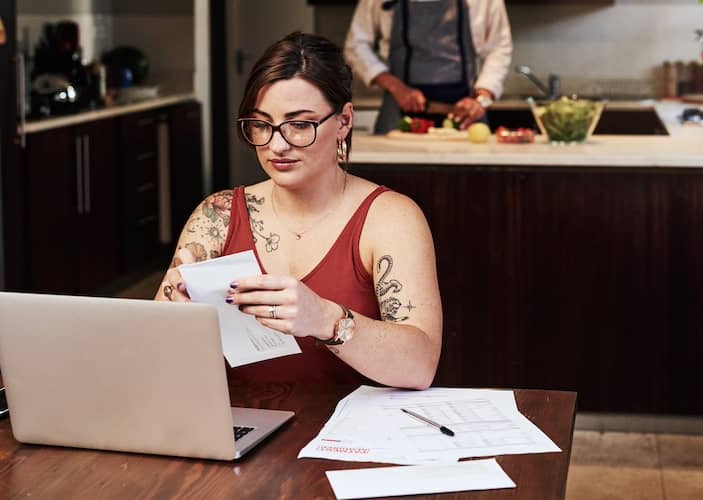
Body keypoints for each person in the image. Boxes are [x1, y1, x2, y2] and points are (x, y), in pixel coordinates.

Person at [156, 32, 442, 390]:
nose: (277, 145)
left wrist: (325, 318)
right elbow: (161, 365)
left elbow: (420, 366)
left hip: (352, 438)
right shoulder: (218, 215)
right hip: (238, 435)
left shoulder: (391, 219)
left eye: (300, 125)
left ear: (344, 121)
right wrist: (173, 321)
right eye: (261, 125)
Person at [344, 0, 512, 133]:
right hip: (397, 117)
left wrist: (481, 98)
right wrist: (395, 86)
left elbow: (499, 47)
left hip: (466, 119)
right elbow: (356, 45)